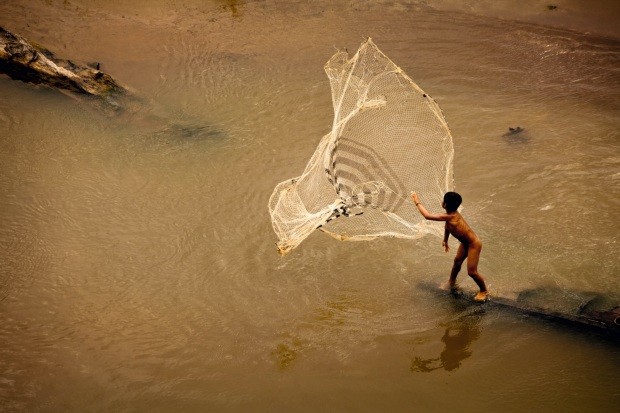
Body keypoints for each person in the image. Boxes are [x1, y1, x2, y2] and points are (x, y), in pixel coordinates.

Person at [411, 191, 489, 302]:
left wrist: (416, 201)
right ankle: (451, 282)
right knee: (457, 262)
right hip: (465, 243)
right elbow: (447, 227)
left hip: (473, 244)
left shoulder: (452, 216)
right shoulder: (449, 217)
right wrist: (445, 240)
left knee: (472, 272)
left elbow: (427, 216)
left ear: (445, 204)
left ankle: (484, 291)